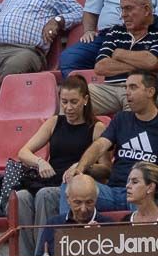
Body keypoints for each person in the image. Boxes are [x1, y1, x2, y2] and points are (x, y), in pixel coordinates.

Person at [16, 78, 104, 256]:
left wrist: (82, 166)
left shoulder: (96, 127)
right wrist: (40, 161)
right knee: (21, 197)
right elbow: (23, 152)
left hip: (72, 186)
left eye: (74, 102)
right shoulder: (55, 122)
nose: (69, 108)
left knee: (45, 195)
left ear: (85, 100)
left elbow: (105, 168)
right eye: (64, 102)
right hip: (49, 178)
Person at [65, 71, 158, 214]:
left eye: (133, 87)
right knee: (72, 186)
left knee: (143, 194)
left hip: (145, 193)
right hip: (113, 191)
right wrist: (80, 168)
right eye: (126, 87)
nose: (127, 93)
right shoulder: (121, 119)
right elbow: (100, 145)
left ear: (150, 91)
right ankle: (68, 235)